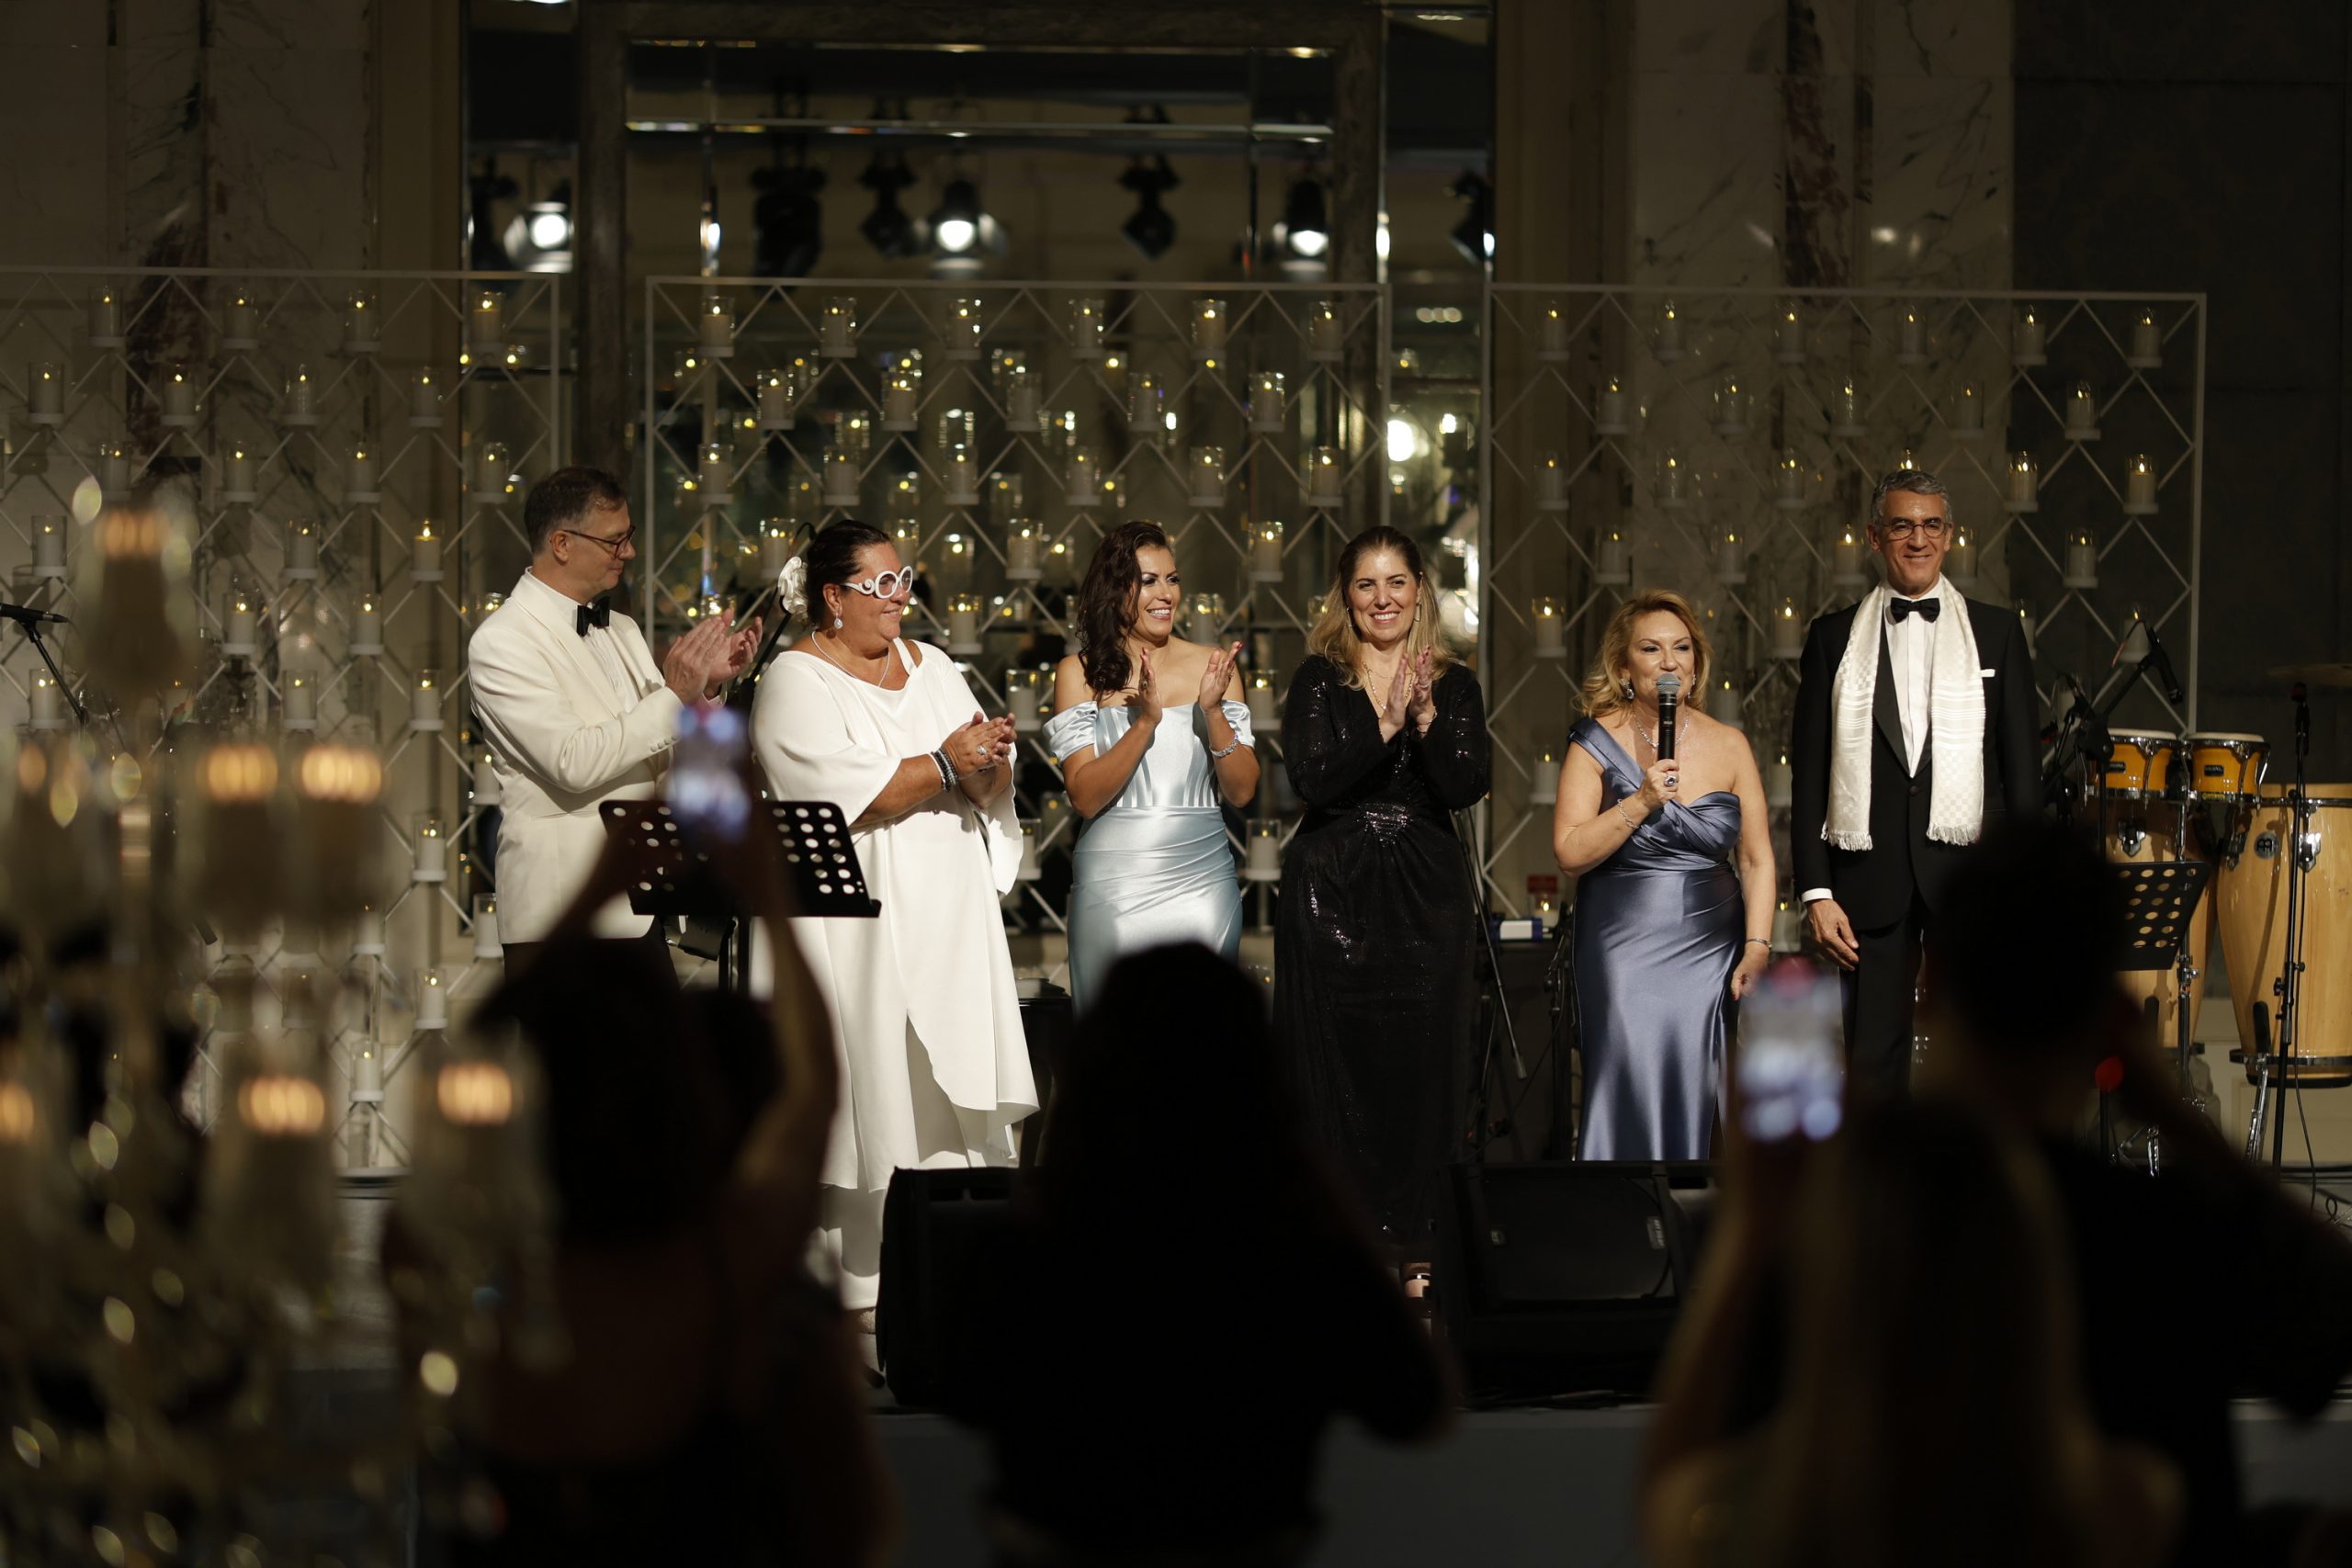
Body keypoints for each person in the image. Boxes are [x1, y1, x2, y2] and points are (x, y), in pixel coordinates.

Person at [390, 791, 895, 1568]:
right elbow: (813, 1093)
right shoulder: (725, 1277)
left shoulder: (478, 1298)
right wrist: (769, 894)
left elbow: (459, 1091)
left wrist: (591, 891)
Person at [1919, 819, 2352, 1567]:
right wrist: (2175, 1114)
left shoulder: (1861, 1219)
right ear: (2108, 1018)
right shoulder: (2162, 1227)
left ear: (1930, 991)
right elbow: (2326, 1344)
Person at [947, 943, 1453, 1568]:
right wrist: (1319, 1184)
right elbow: (1415, 1406)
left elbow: (961, 1392)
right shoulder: (1298, 1264)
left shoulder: (1029, 1254)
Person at [1642, 1094, 2180, 1568]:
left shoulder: (1738, 1526)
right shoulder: (2118, 1513)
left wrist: (1750, 1226)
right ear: (2033, 1283)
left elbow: (1664, 1483)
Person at [749, 520, 1037, 1349]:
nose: (899, 596)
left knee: (947, 1084)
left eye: (903, 578)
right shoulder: (794, 680)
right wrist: (946, 763)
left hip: (950, 916)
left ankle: (957, 1278)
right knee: (870, 1080)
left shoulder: (934, 665)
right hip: (859, 923)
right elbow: (851, 792)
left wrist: (989, 759)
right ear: (832, 598)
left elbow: (980, 777)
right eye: (879, 584)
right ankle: (862, 1292)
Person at [1787, 466, 2039, 1094]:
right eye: (1902, 526)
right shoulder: (1832, 639)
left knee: (1976, 1057)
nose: (1918, 539)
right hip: (1868, 882)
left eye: (1931, 525)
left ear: (1950, 536)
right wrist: (1816, 891)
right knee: (1872, 1064)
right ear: (1875, 537)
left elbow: (2022, 778)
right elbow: (1809, 778)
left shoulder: (1999, 633)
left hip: (1972, 882)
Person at [1274, 525, 1488, 1250]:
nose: (1382, 597)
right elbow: (1313, 779)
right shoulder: (1318, 678)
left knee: (1423, 1074)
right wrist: (1387, 719)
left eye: (1396, 581)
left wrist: (1424, 720)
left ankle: (1422, 1245)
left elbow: (1464, 785)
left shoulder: (1455, 684)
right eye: (1366, 584)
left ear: (1420, 590)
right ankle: (1336, 1249)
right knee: (1334, 1072)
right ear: (1346, 596)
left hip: (1426, 902)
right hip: (1332, 896)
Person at [467, 466, 762, 960]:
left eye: (629, 535)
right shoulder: (502, 642)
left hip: (642, 904)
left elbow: (660, 753)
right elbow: (573, 762)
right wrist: (675, 694)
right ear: (562, 544)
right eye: (614, 540)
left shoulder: (622, 628)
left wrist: (704, 689)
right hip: (561, 920)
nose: (629, 552)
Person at [1551, 591, 1775, 1160]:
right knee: (1628, 1071)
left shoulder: (1731, 745)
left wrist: (1757, 946)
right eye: (1650, 649)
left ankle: (1695, 1209)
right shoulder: (1595, 741)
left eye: (1681, 648)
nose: (1669, 661)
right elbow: (1570, 852)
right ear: (1624, 667)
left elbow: (1756, 859)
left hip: (1711, 947)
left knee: (1700, 1082)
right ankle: (1624, 1205)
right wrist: (1640, 801)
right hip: (1621, 944)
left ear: (1696, 664)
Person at [1045, 521, 1259, 1011]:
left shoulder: (1214, 666)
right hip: (1112, 888)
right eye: (1148, 581)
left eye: (1172, 579)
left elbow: (1243, 791)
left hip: (1203, 885)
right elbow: (1084, 797)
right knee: (1114, 1044)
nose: (1166, 594)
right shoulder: (1078, 674)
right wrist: (1145, 722)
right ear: (1114, 589)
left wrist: (1212, 712)